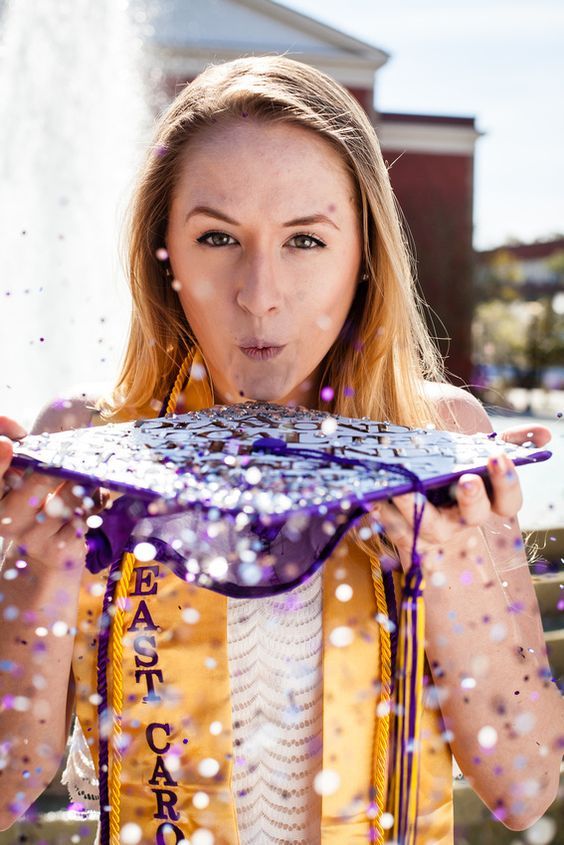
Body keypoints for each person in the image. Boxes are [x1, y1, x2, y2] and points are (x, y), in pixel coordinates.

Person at [0, 55, 561, 845]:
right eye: (218, 236)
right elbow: (8, 780)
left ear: (363, 256)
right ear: (163, 257)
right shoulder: (82, 447)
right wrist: (39, 576)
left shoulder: (444, 443)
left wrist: (458, 579)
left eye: (305, 239)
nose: (259, 292)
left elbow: (527, 786)